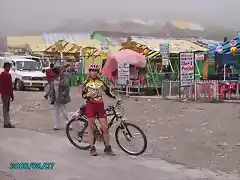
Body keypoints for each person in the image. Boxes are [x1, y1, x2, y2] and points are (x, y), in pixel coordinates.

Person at [82, 64, 116, 156]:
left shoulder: (101, 82)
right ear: (89, 72)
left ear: (97, 72)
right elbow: (83, 95)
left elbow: (107, 92)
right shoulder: (86, 82)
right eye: (92, 70)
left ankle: (107, 147)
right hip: (90, 106)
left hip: (100, 105)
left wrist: (114, 97)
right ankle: (92, 147)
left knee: (105, 127)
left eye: (95, 71)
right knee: (91, 127)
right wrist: (88, 95)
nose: (93, 72)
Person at [0, 62, 15, 128]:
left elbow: (10, 87)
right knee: (5, 109)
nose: (9, 68)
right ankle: (7, 123)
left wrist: (11, 95)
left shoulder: (8, 75)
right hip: (5, 94)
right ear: (6, 67)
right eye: (9, 67)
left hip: (7, 94)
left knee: (7, 109)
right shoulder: (3, 75)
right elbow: (2, 85)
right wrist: (3, 94)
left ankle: (7, 122)